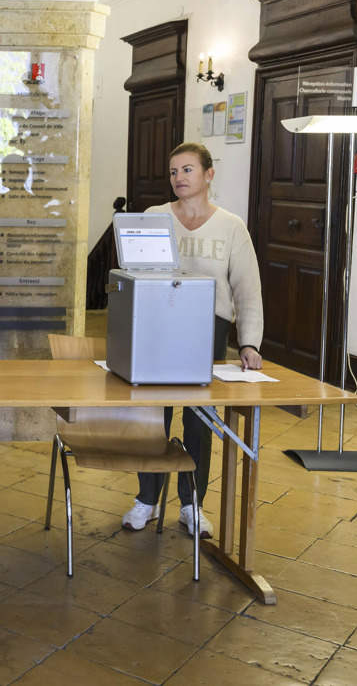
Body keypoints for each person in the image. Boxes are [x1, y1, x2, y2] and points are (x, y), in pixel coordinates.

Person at [121, 141, 263, 538]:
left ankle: (191, 504)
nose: (178, 178)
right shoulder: (154, 217)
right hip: (157, 323)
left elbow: (247, 289)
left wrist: (249, 342)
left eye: (187, 170)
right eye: (173, 171)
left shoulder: (231, 226)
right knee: (152, 416)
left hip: (207, 327)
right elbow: (134, 272)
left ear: (208, 174)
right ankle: (148, 498)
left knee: (199, 418)